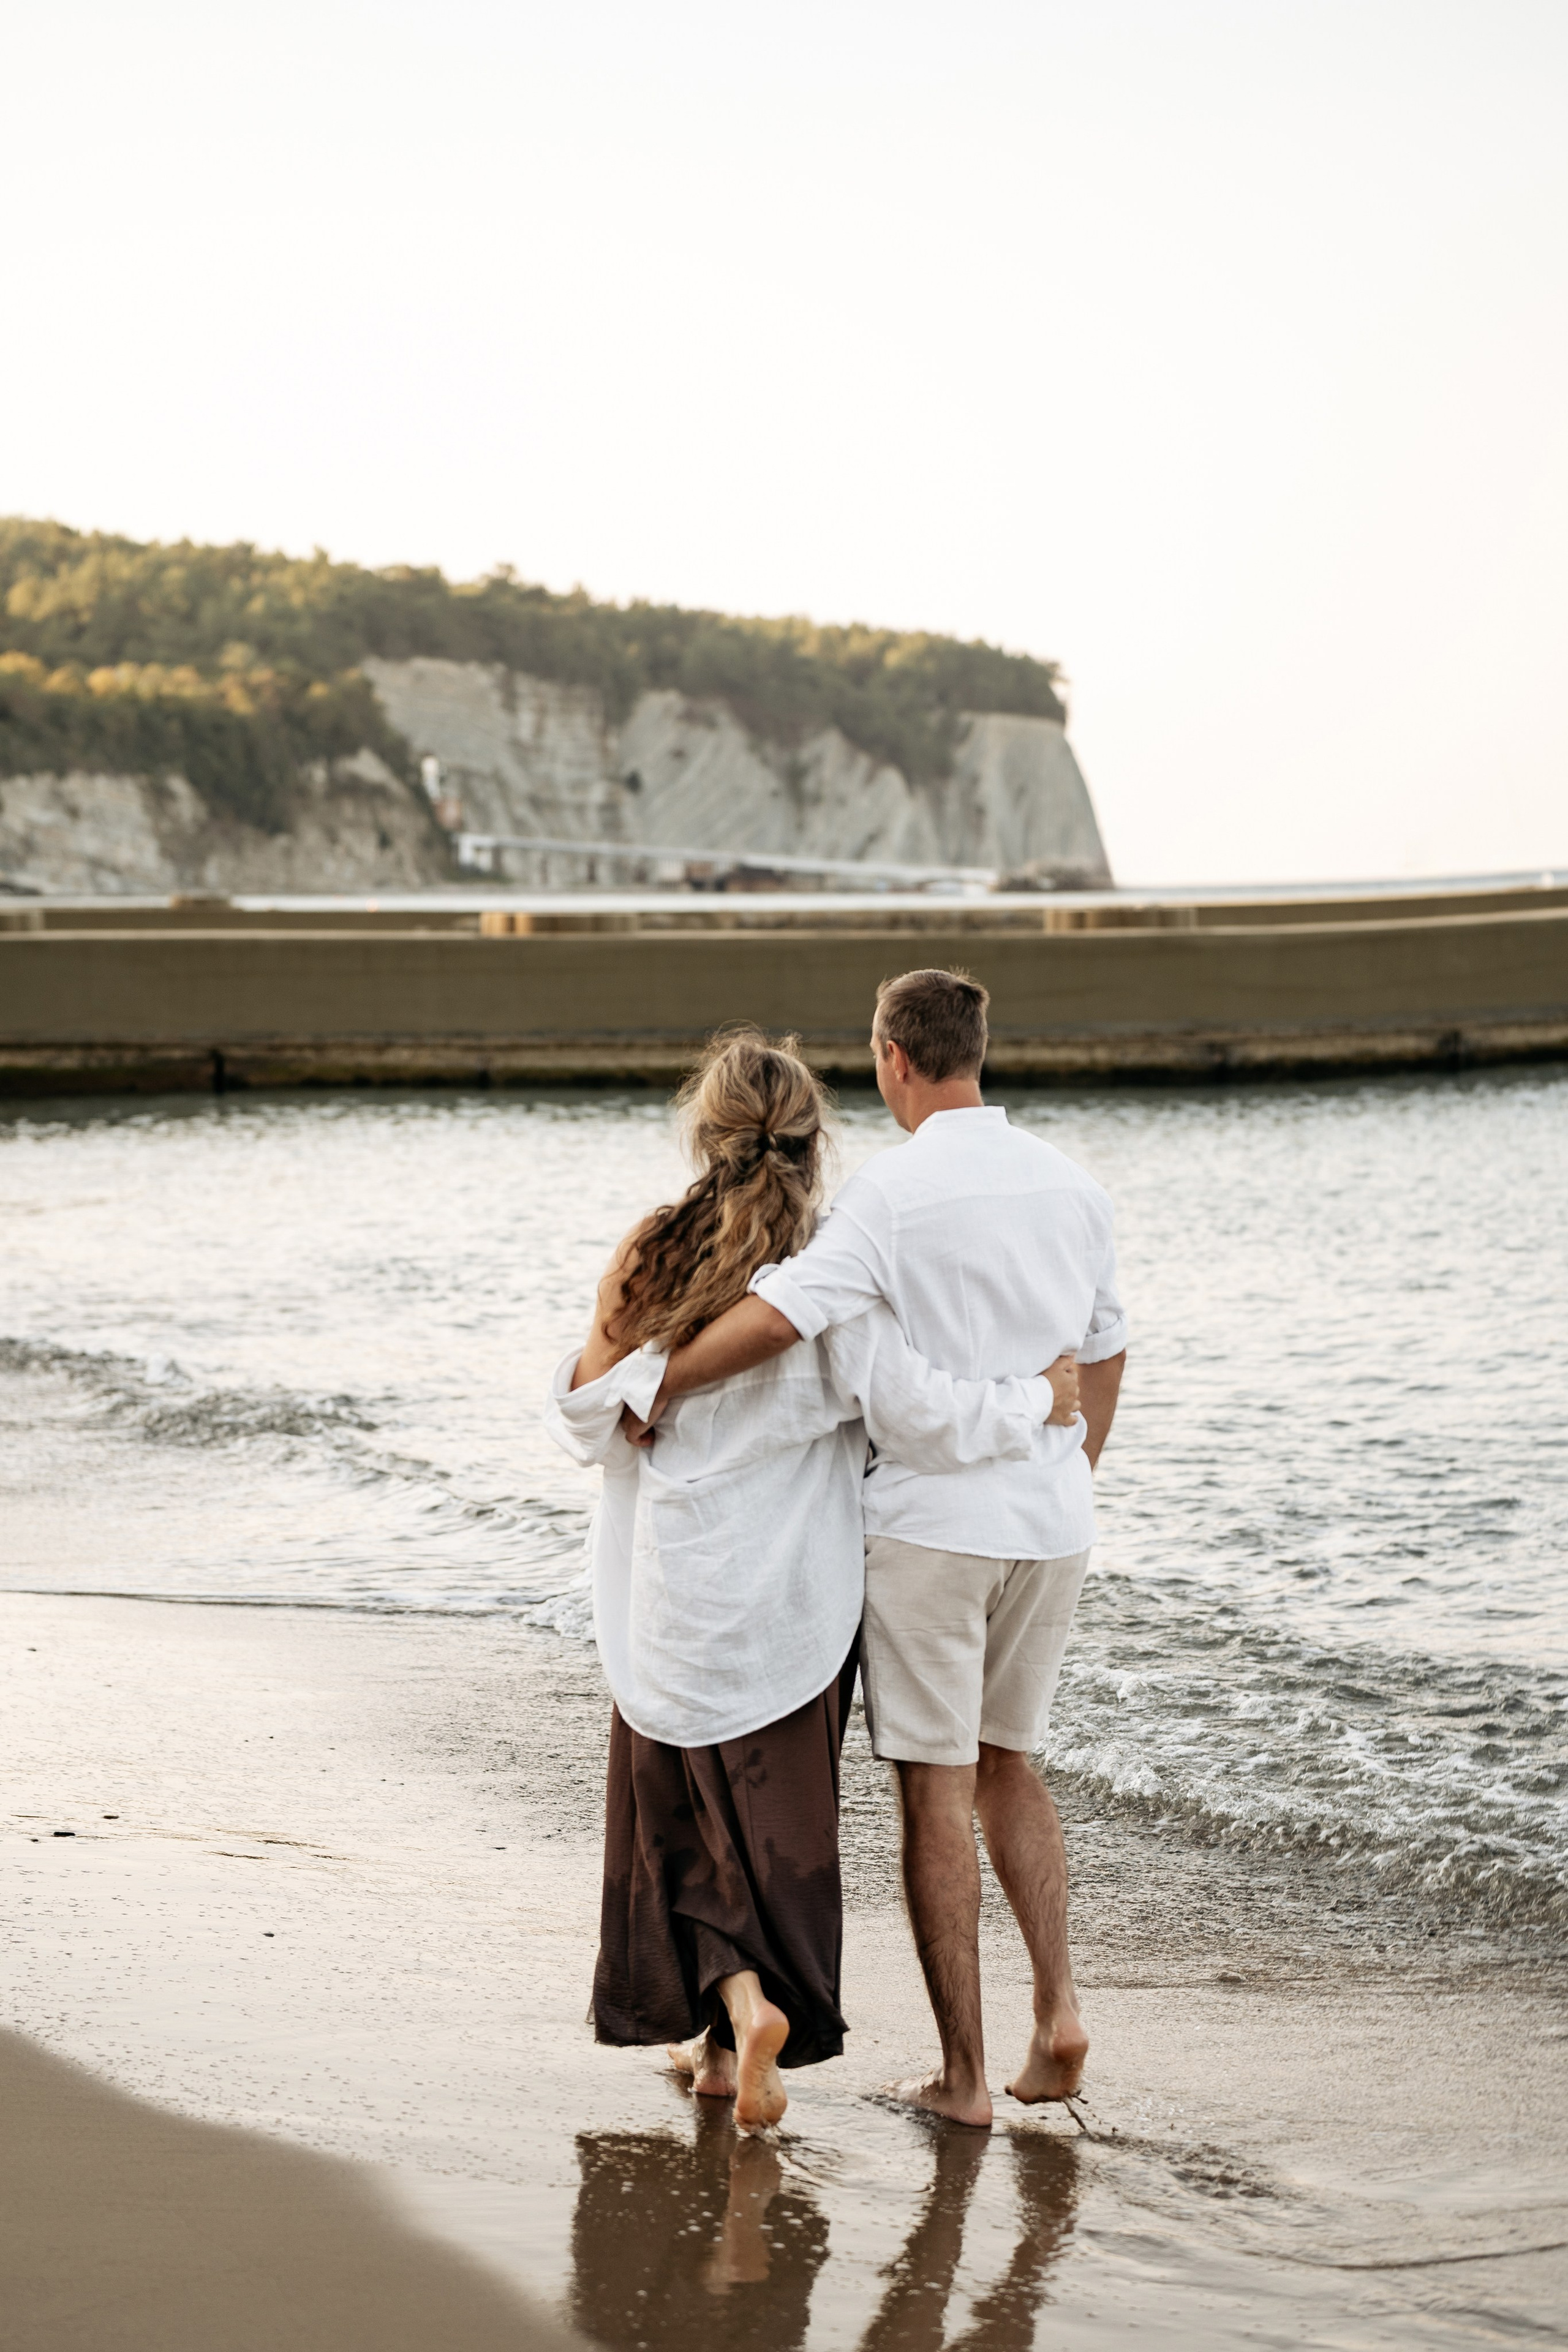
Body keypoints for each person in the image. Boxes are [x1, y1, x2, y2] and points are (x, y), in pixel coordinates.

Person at [543, 1029, 1081, 2130]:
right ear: (812, 1136)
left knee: (677, 1813)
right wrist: (1037, 1401)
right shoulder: (834, 1276)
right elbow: (921, 1417)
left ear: (706, 1127)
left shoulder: (651, 1251)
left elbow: (585, 1415)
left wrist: (648, 1389)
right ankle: (752, 2020)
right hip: (797, 1601)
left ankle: (726, 2029)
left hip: (673, 1591)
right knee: (774, 1823)